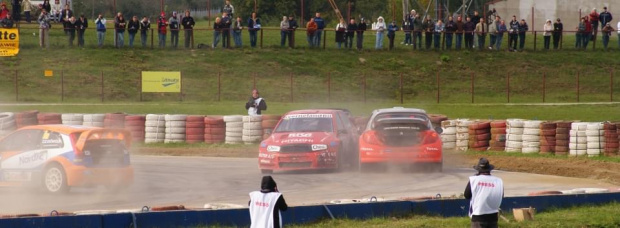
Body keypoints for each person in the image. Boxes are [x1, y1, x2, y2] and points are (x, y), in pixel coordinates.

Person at [464, 158, 504, 228]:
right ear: (489, 169)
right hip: (493, 216)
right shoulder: (498, 181)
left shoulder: (474, 180)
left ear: (478, 170)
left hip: (478, 216)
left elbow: (467, 195)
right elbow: (501, 196)